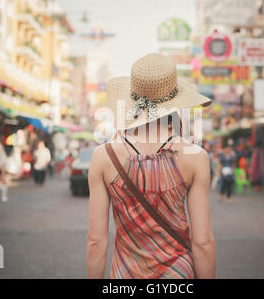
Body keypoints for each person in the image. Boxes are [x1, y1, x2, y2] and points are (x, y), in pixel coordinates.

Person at [87, 53, 216, 279]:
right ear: (175, 104)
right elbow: (203, 242)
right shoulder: (196, 157)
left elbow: (96, 241)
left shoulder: (103, 157)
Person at [217, 139, 236, 204]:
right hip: (223, 172)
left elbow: (233, 165)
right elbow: (220, 164)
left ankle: (228, 198)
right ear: (225, 149)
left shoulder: (232, 156)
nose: (228, 150)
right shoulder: (222, 156)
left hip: (230, 172)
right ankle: (220, 195)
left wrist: (234, 172)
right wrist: (219, 172)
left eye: (229, 149)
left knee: (229, 185)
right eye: (227, 149)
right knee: (222, 184)